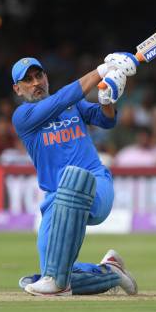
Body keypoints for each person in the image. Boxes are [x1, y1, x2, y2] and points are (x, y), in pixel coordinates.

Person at [11, 54, 139, 296]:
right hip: (55, 200)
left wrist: (106, 99)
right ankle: (109, 272)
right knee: (54, 272)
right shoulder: (23, 117)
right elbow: (61, 100)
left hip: (95, 183)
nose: (36, 82)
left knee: (74, 181)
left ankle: (58, 282)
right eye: (27, 80)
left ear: (46, 77)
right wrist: (102, 70)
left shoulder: (73, 104)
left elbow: (106, 121)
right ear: (17, 89)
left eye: (39, 76)